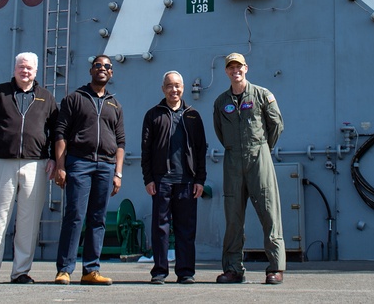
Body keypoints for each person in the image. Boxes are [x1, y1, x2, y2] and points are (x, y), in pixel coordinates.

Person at [0, 52, 58, 284]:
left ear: (36, 71)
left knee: (28, 220)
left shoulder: (46, 97)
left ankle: (21, 271)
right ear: (15, 68)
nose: (25, 71)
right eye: (21, 67)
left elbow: (56, 131)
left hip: (36, 163)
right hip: (1, 161)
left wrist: (52, 158)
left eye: (29, 68)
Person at [212, 52, 285, 285]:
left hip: (259, 157)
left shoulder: (263, 95)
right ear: (226, 71)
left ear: (246, 68)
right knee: (233, 217)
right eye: (231, 68)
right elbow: (220, 132)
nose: (236, 71)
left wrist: (262, 149)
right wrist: (237, 149)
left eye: (239, 67)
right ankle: (233, 269)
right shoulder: (221, 102)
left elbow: (276, 125)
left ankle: (275, 267)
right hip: (233, 160)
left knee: (269, 213)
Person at [53, 55, 125, 286]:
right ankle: (65, 269)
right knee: (74, 215)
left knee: (98, 218)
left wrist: (118, 173)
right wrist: (61, 166)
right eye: (98, 65)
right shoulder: (75, 98)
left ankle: (91, 270)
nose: (102, 69)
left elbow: (121, 141)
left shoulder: (115, 104)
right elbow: (61, 134)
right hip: (80, 163)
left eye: (107, 67)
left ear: (111, 73)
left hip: (106, 166)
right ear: (91, 70)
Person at [141, 70, 207, 285]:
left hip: (187, 181)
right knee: (160, 228)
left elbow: (200, 150)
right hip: (161, 181)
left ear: (183, 88)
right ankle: (159, 271)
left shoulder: (192, 115)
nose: (174, 89)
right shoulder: (153, 115)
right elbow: (146, 150)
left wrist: (200, 180)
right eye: (169, 85)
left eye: (177, 85)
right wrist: (148, 178)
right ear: (163, 89)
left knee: (185, 229)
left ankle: (186, 272)